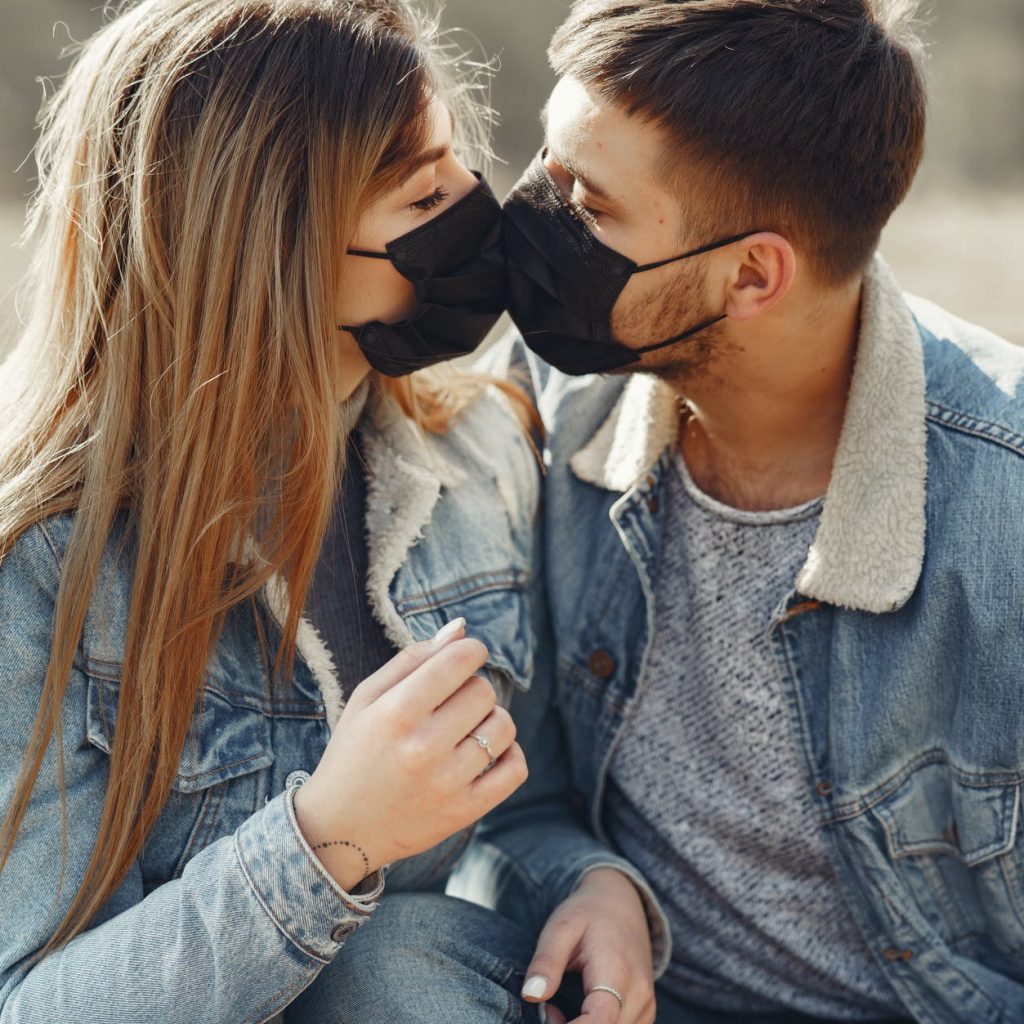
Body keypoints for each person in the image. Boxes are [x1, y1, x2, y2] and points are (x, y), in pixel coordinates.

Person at [325, 2, 1024, 1023]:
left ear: (752, 273)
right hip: (631, 999)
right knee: (382, 964)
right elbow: (521, 797)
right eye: (550, 169)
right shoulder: (543, 402)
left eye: (589, 206)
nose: (528, 220)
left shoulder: (999, 506)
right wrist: (585, 879)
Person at [0, 0, 540, 1020]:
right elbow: (32, 1004)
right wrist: (330, 836)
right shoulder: (38, 557)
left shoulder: (485, 445)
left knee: (394, 960)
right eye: (425, 194)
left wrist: (590, 885)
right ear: (266, 248)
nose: (479, 207)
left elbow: (537, 801)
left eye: (458, 163)